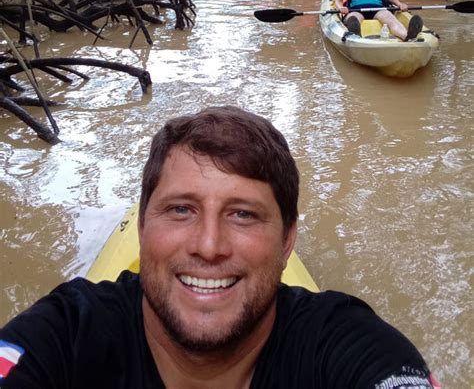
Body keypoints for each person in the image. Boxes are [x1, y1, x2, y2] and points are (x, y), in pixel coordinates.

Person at [0, 106, 439, 389]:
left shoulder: (341, 344)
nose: (209, 246)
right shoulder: (66, 336)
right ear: (141, 229)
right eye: (180, 210)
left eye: (243, 214)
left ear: (287, 242)